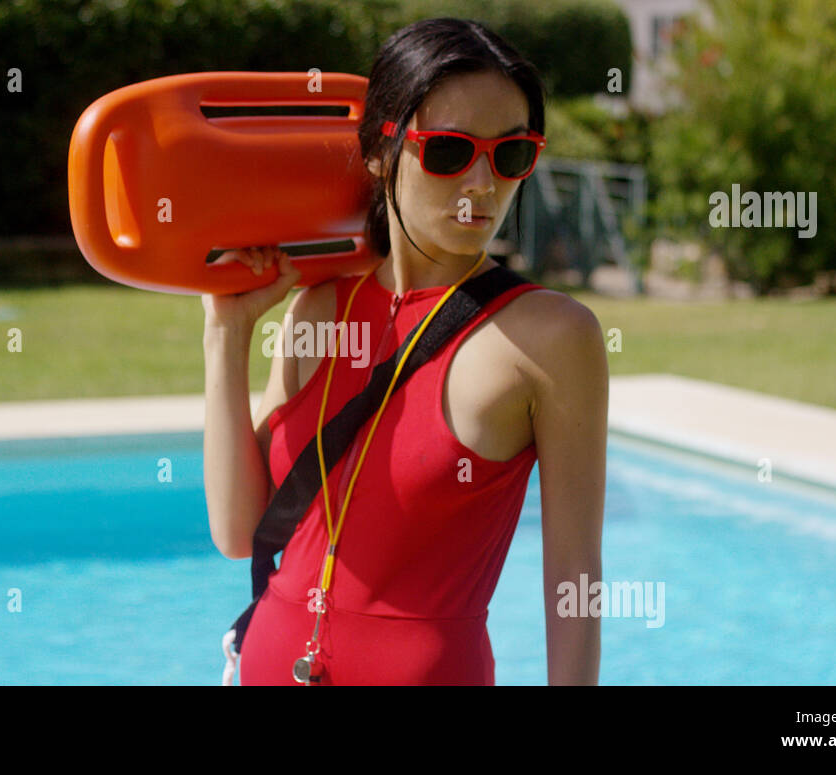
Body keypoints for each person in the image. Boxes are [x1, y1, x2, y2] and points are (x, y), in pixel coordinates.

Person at [201, 17, 606, 685]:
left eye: (511, 154)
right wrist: (226, 331)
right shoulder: (318, 309)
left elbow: (576, 575)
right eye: (449, 151)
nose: (483, 183)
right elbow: (238, 531)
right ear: (379, 151)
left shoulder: (549, 337)